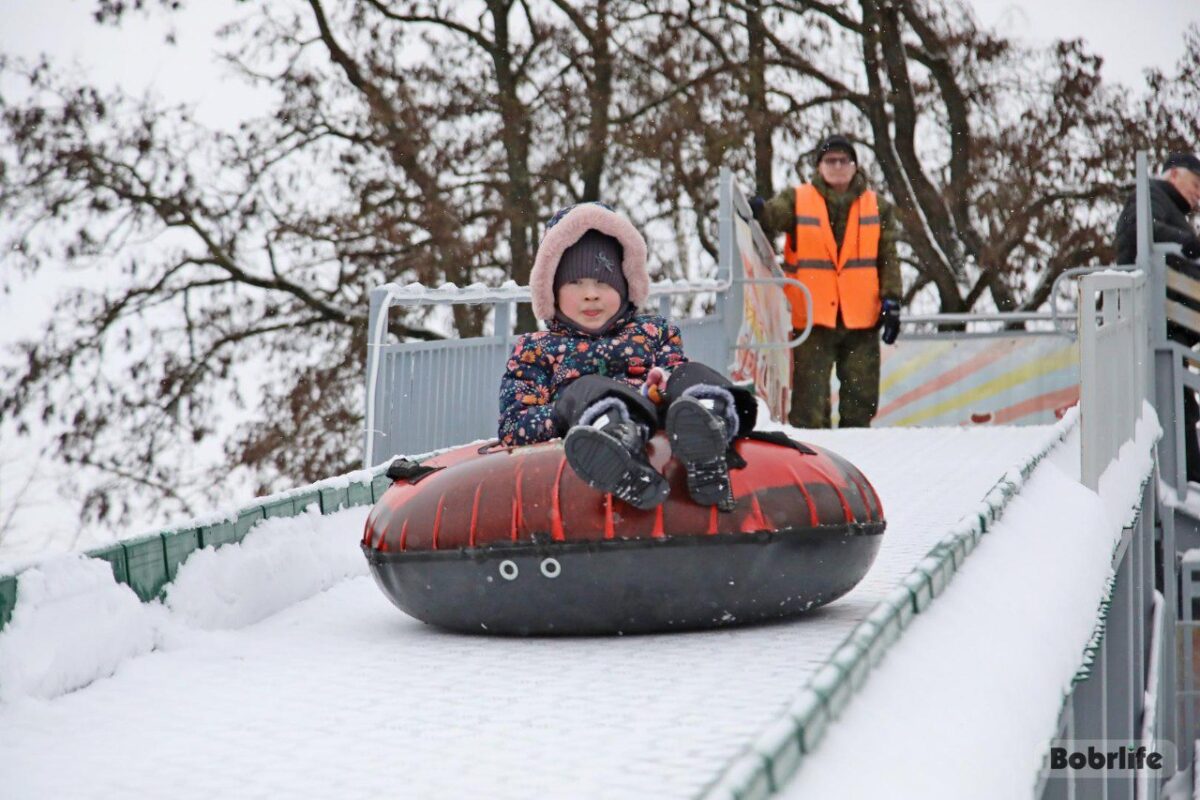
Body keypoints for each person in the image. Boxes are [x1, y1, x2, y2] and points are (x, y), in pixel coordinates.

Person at [498, 202, 758, 511]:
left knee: (687, 374)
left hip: (657, 415)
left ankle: (707, 426)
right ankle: (616, 444)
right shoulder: (537, 350)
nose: (590, 294)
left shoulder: (654, 333)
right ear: (551, 290)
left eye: (603, 282)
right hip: (595, 423)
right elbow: (514, 425)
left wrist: (661, 388)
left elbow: (671, 376)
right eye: (575, 283)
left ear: (625, 287)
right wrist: (564, 414)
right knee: (587, 387)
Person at [751, 135, 902, 429]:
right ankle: (814, 461)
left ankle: (859, 458)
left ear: (855, 165)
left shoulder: (878, 206)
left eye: (843, 160)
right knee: (809, 404)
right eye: (830, 160)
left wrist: (892, 298)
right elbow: (772, 217)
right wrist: (758, 209)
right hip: (812, 316)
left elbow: (888, 257)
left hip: (861, 317)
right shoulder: (797, 199)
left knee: (861, 400)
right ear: (819, 166)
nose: (837, 166)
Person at [1113, 151, 1200, 482]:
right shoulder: (1149, 195)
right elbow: (1135, 233)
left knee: (1181, 407)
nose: (1197, 195)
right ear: (1174, 175)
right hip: (1158, 323)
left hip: (1170, 324)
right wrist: (1187, 242)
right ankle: (1185, 479)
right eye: (1195, 184)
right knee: (1176, 409)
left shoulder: (1162, 204)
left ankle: (1188, 478)